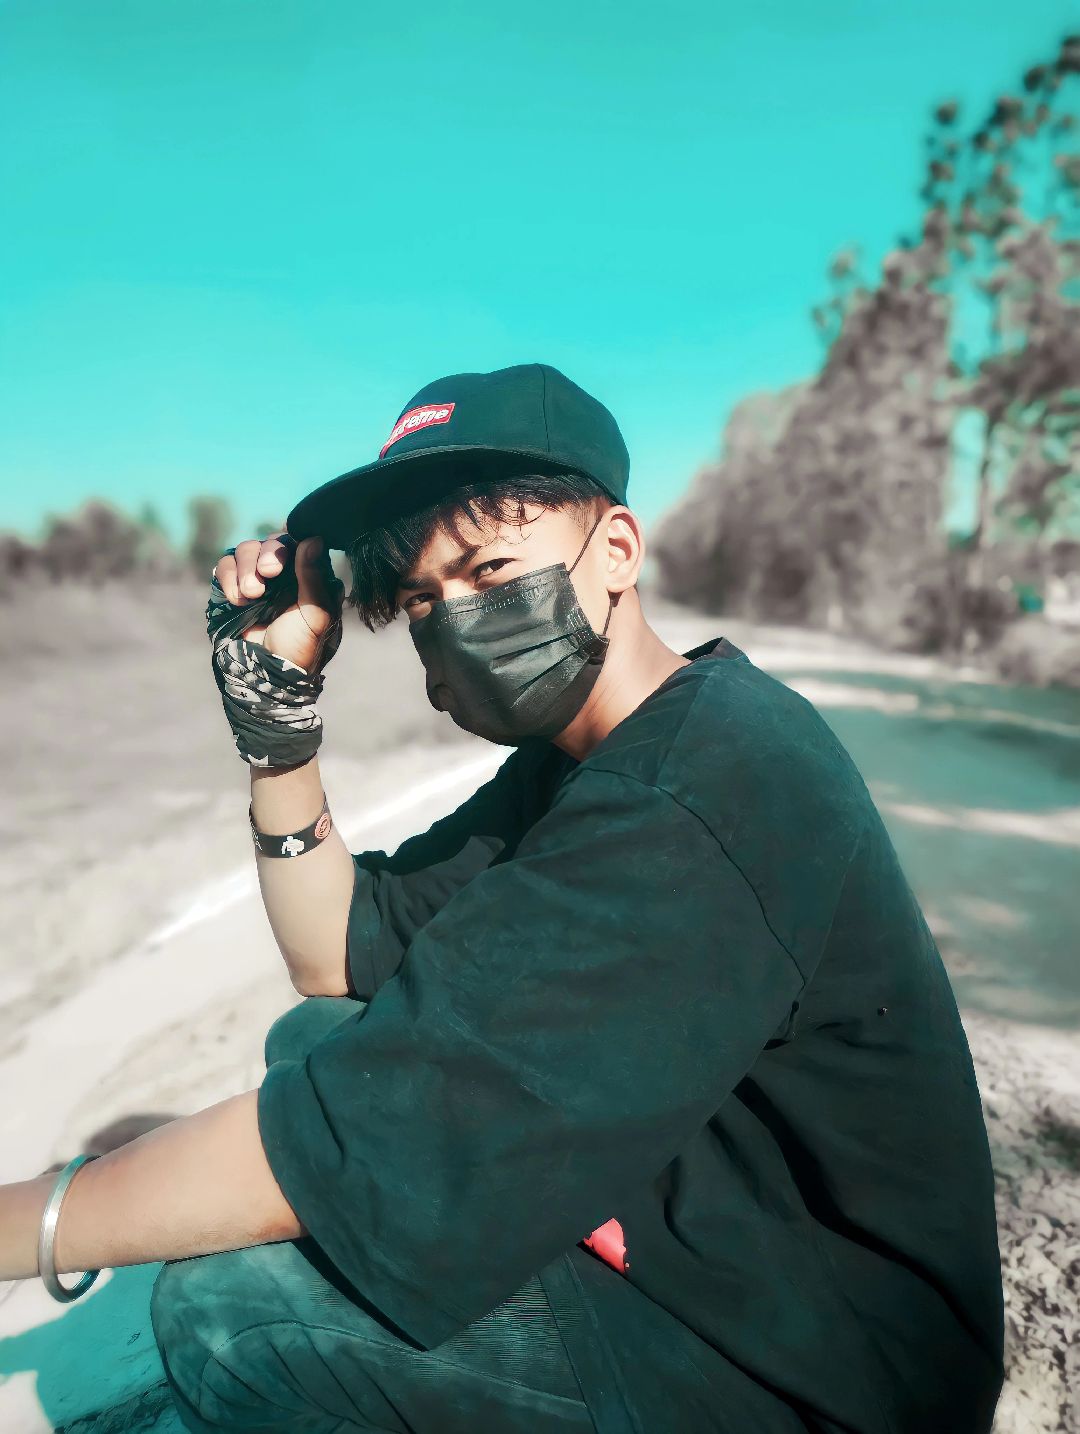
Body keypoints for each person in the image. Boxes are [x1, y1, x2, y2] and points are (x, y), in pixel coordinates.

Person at [0, 363, 1004, 1433]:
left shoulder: (703, 783)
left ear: (616, 551)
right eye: (423, 598)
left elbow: (356, 1141)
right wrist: (277, 726)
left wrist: (31, 1222)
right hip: (707, 1240)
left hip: (823, 1368)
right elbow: (336, 952)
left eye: (490, 568)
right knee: (321, 1037)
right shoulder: (590, 756)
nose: (459, 616)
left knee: (235, 1314)